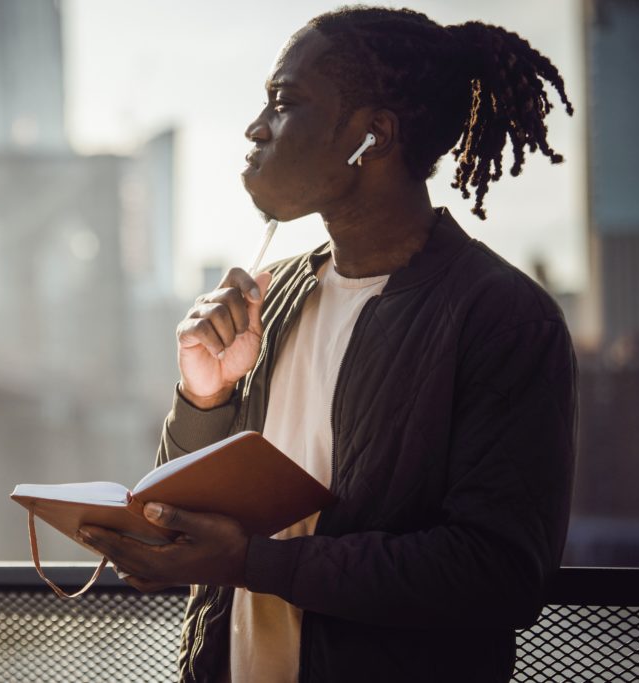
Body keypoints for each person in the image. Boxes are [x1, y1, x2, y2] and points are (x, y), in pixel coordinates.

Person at [77, 7, 578, 682]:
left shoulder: (504, 318)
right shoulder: (273, 295)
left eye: (285, 103)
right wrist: (205, 393)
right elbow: (179, 524)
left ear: (373, 137)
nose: (256, 128)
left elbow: (499, 572)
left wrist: (253, 563)